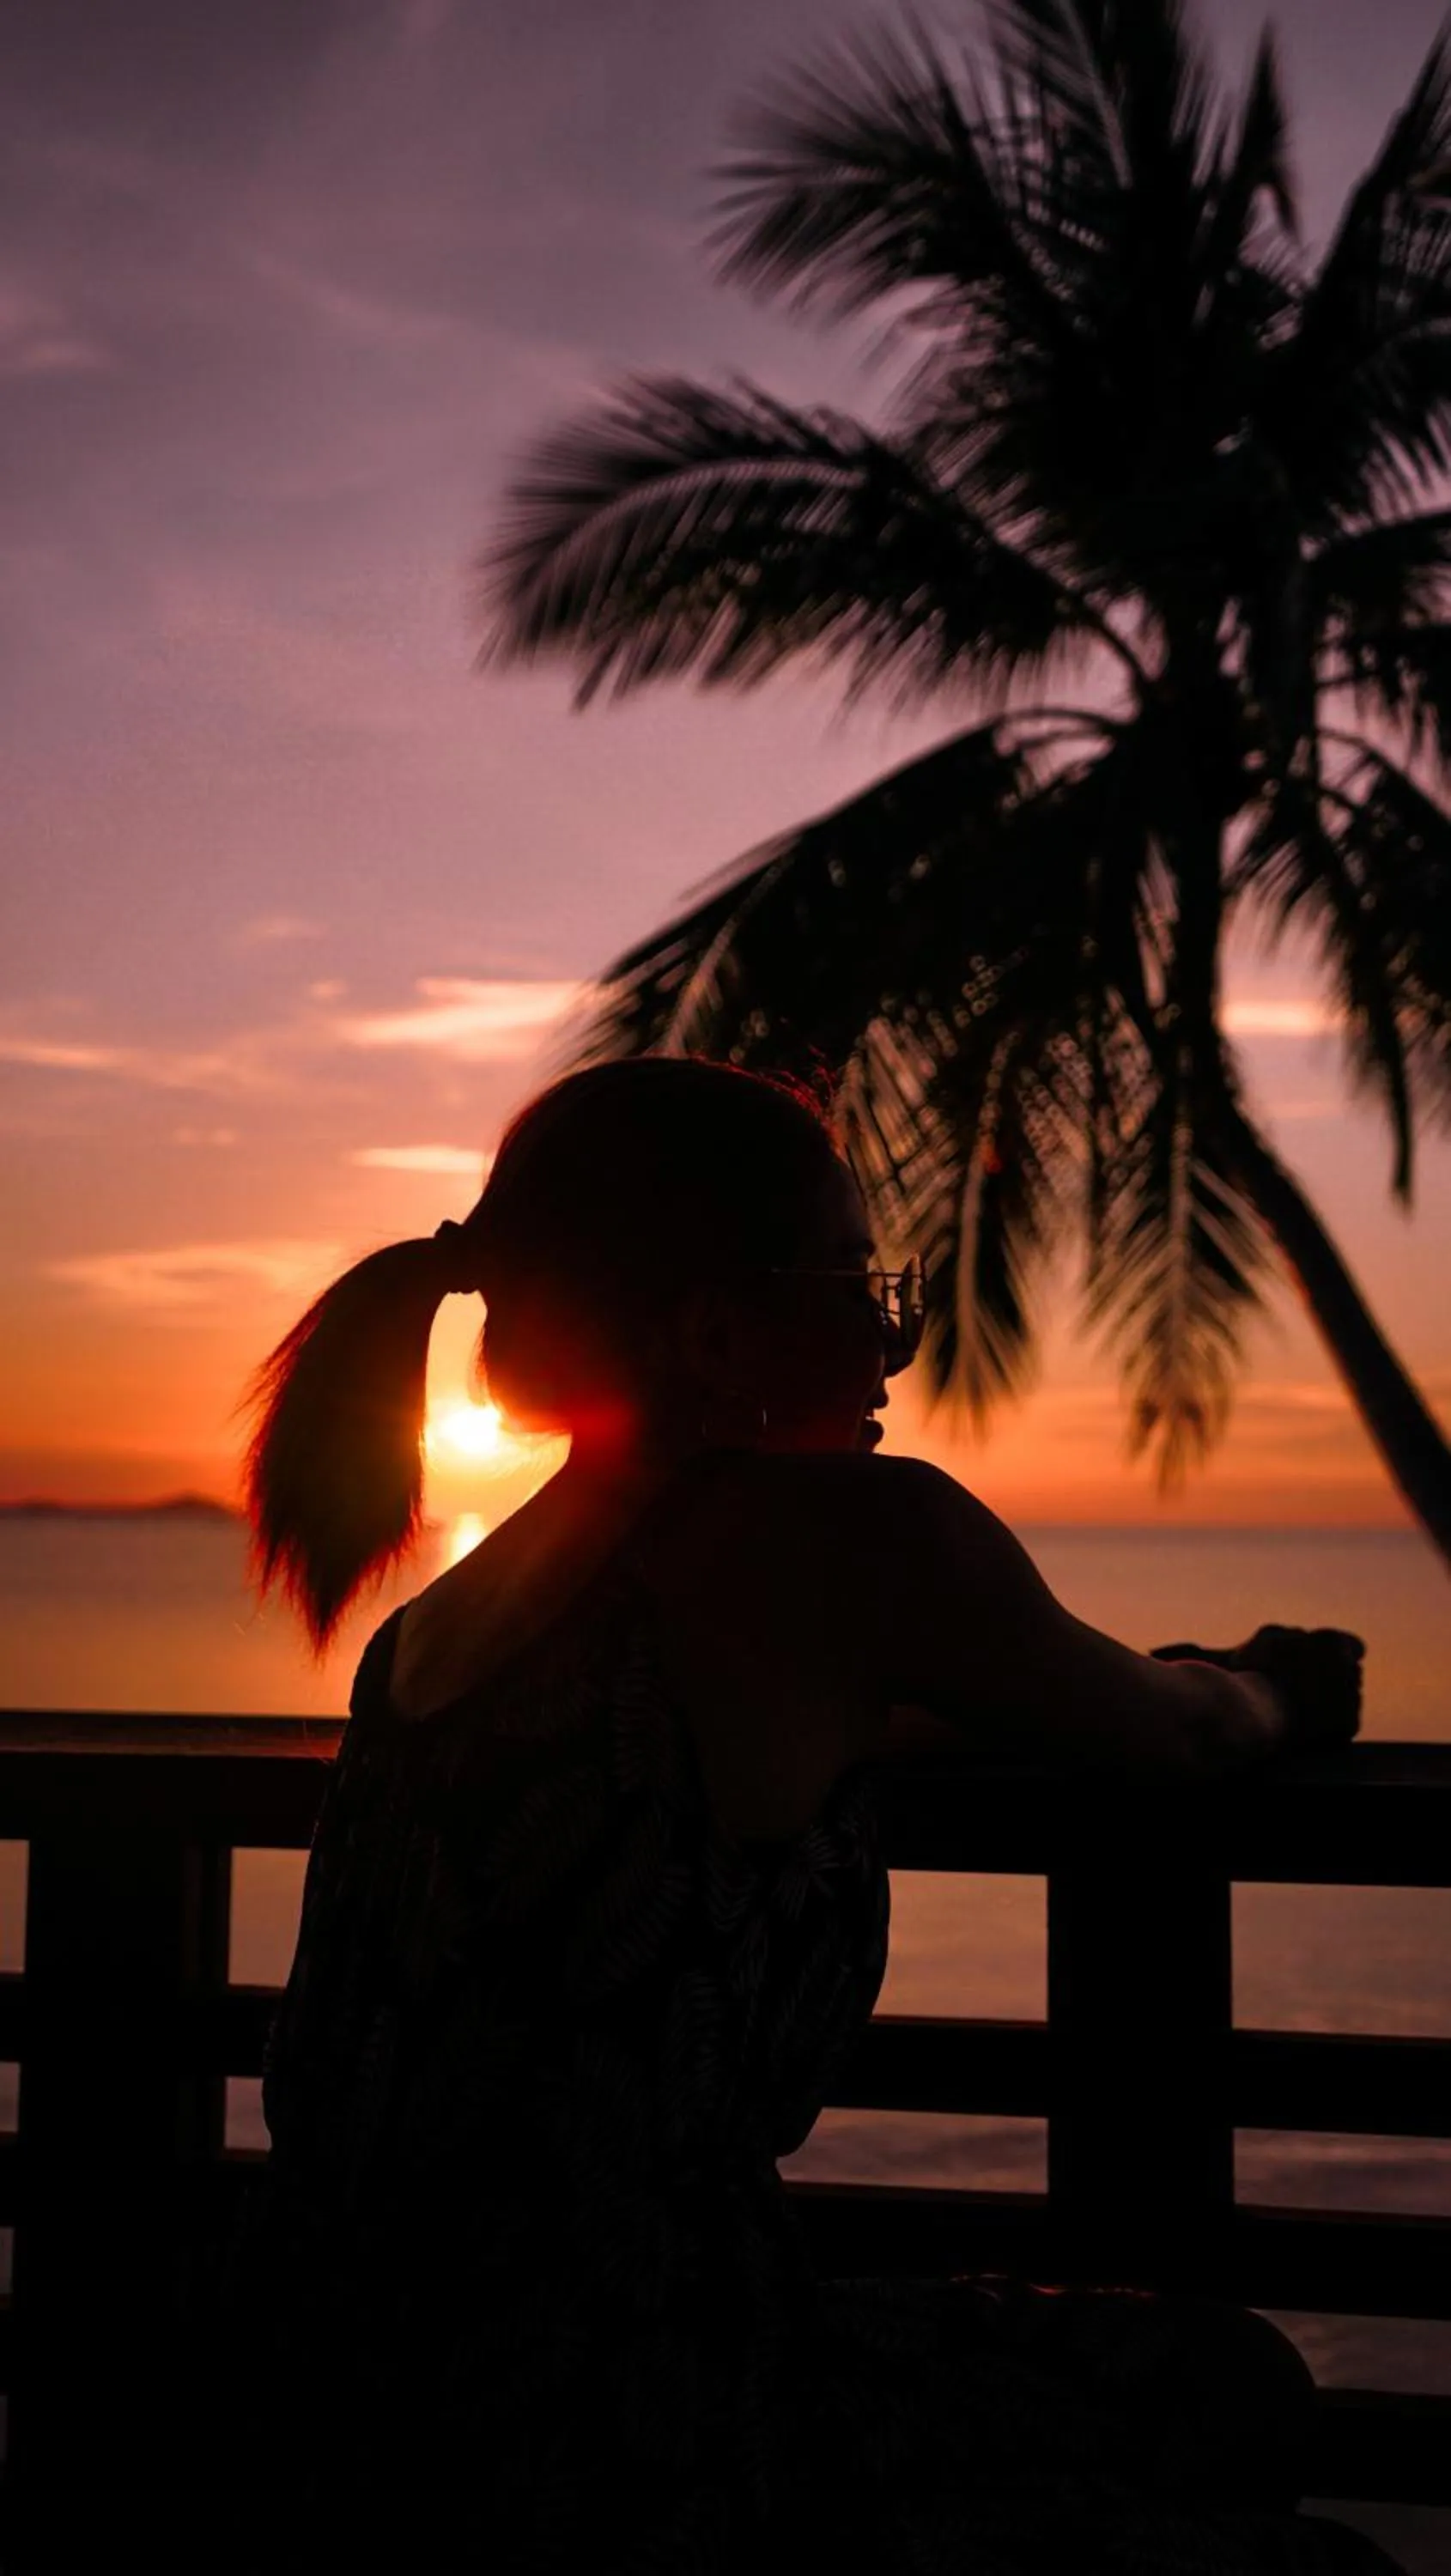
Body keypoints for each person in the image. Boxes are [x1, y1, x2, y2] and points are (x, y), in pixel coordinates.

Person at [213, 1054, 1403, 2576]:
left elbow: (796, 1717)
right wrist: (1278, 1687)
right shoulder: (838, 1537)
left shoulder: (448, 1624)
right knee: (1270, 2457)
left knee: (1224, 2395)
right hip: (627, 2438)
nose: (891, 1350)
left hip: (317, 2410)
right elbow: (1174, 1736)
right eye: (856, 1285)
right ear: (718, 1333)